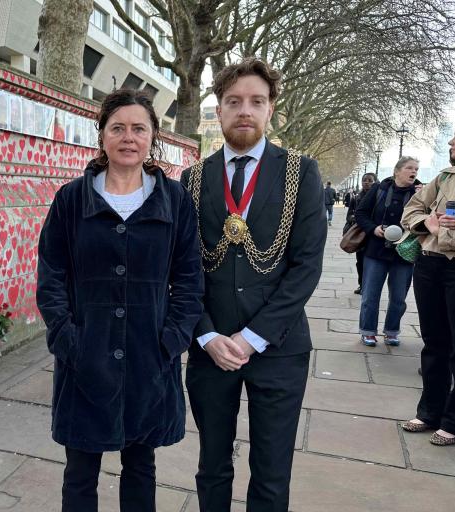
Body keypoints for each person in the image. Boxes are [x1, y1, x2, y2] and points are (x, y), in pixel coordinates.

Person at [37, 89, 204, 512]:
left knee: (141, 467)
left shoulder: (174, 200)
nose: (128, 137)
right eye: (118, 128)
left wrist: (172, 340)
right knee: (79, 473)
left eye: (138, 129)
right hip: (84, 356)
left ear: (152, 138)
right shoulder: (71, 200)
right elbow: (51, 275)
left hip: (150, 355)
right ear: (102, 136)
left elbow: (189, 277)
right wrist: (65, 337)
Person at [181, 57, 326, 512]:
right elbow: (181, 271)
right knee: (212, 467)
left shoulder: (302, 173)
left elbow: (305, 267)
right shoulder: (192, 179)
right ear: (219, 110)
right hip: (210, 349)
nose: (245, 110)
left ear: (271, 111)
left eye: (256, 102)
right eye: (233, 101)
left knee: (271, 472)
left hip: (278, 350)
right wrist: (205, 335)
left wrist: (251, 337)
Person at [401, 121, 455, 446]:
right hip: (430, 264)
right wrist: (427, 222)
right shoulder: (444, 177)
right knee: (434, 342)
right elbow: (411, 209)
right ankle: (429, 412)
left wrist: (451, 231)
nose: (452, 142)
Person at [355, 157, 419, 347]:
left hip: (404, 253)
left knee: (399, 297)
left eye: (416, 168)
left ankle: (391, 331)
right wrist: (373, 229)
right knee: (370, 295)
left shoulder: (420, 192)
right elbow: (361, 213)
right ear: (397, 171)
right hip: (376, 250)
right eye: (409, 168)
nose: (413, 171)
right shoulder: (380, 189)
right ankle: (368, 331)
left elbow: (427, 218)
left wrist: (425, 200)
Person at [345, 172, 377, 294]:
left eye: (369, 180)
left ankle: (368, 286)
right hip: (359, 234)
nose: (366, 182)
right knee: (360, 262)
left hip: (372, 234)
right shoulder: (356, 197)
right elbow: (349, 215)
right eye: (364, 180)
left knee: (371, 263)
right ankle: (361, 284)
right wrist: (353, 218)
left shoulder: (378, 197)